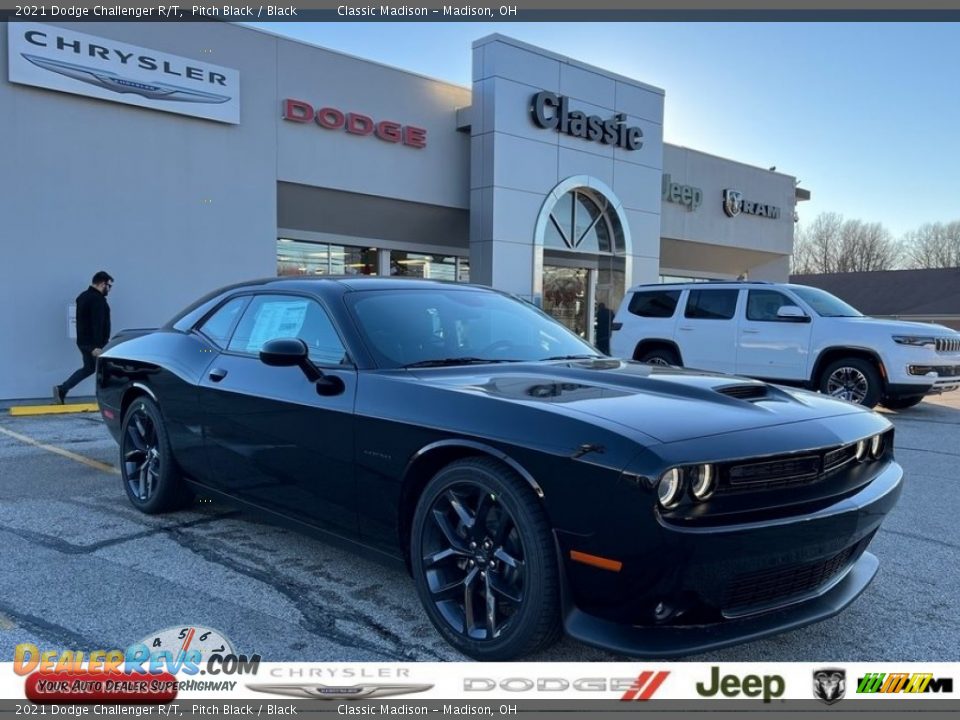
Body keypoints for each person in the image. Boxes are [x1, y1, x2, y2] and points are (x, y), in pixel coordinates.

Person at [54, 271, 113, 403]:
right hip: (94, 345)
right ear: (102, 284)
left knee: (89, 368)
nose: (109, 289)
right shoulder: (97, 299)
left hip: (84, 342)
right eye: (109, 286)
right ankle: (106, 399)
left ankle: (62, 389)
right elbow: (97, 324)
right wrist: (97, 346)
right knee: (105, 369)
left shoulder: (83, 296)